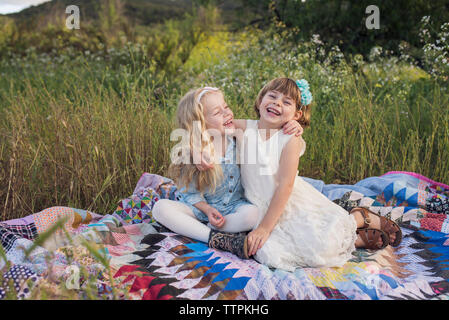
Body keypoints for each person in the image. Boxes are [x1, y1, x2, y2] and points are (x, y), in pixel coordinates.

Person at [234, 77, 402, 271]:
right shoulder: (245, 127)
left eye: (286, 102)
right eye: (272, 96)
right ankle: (353, 231)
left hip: (287, 200)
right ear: (260, 100)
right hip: (257, 204)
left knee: (318, 245)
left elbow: (285, 185)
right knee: (268, 252)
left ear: (296, 115)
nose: (277, 103)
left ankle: (357, 221)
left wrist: (264, 228)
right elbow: (211, 126)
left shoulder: (290, 138)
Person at [152, 86, 303, 259]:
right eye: (217, 112)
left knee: (252, 216)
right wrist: (207, 209)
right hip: (201, 209)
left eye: (226, 107)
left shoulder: (237, 136)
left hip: (234, 208)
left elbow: (266, 129)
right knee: (160, 208)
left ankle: (200, 228)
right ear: (200, 123)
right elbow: (189, 192)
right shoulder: (197, 153)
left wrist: (293, 123)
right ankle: (213, 238)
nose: (227, 114)